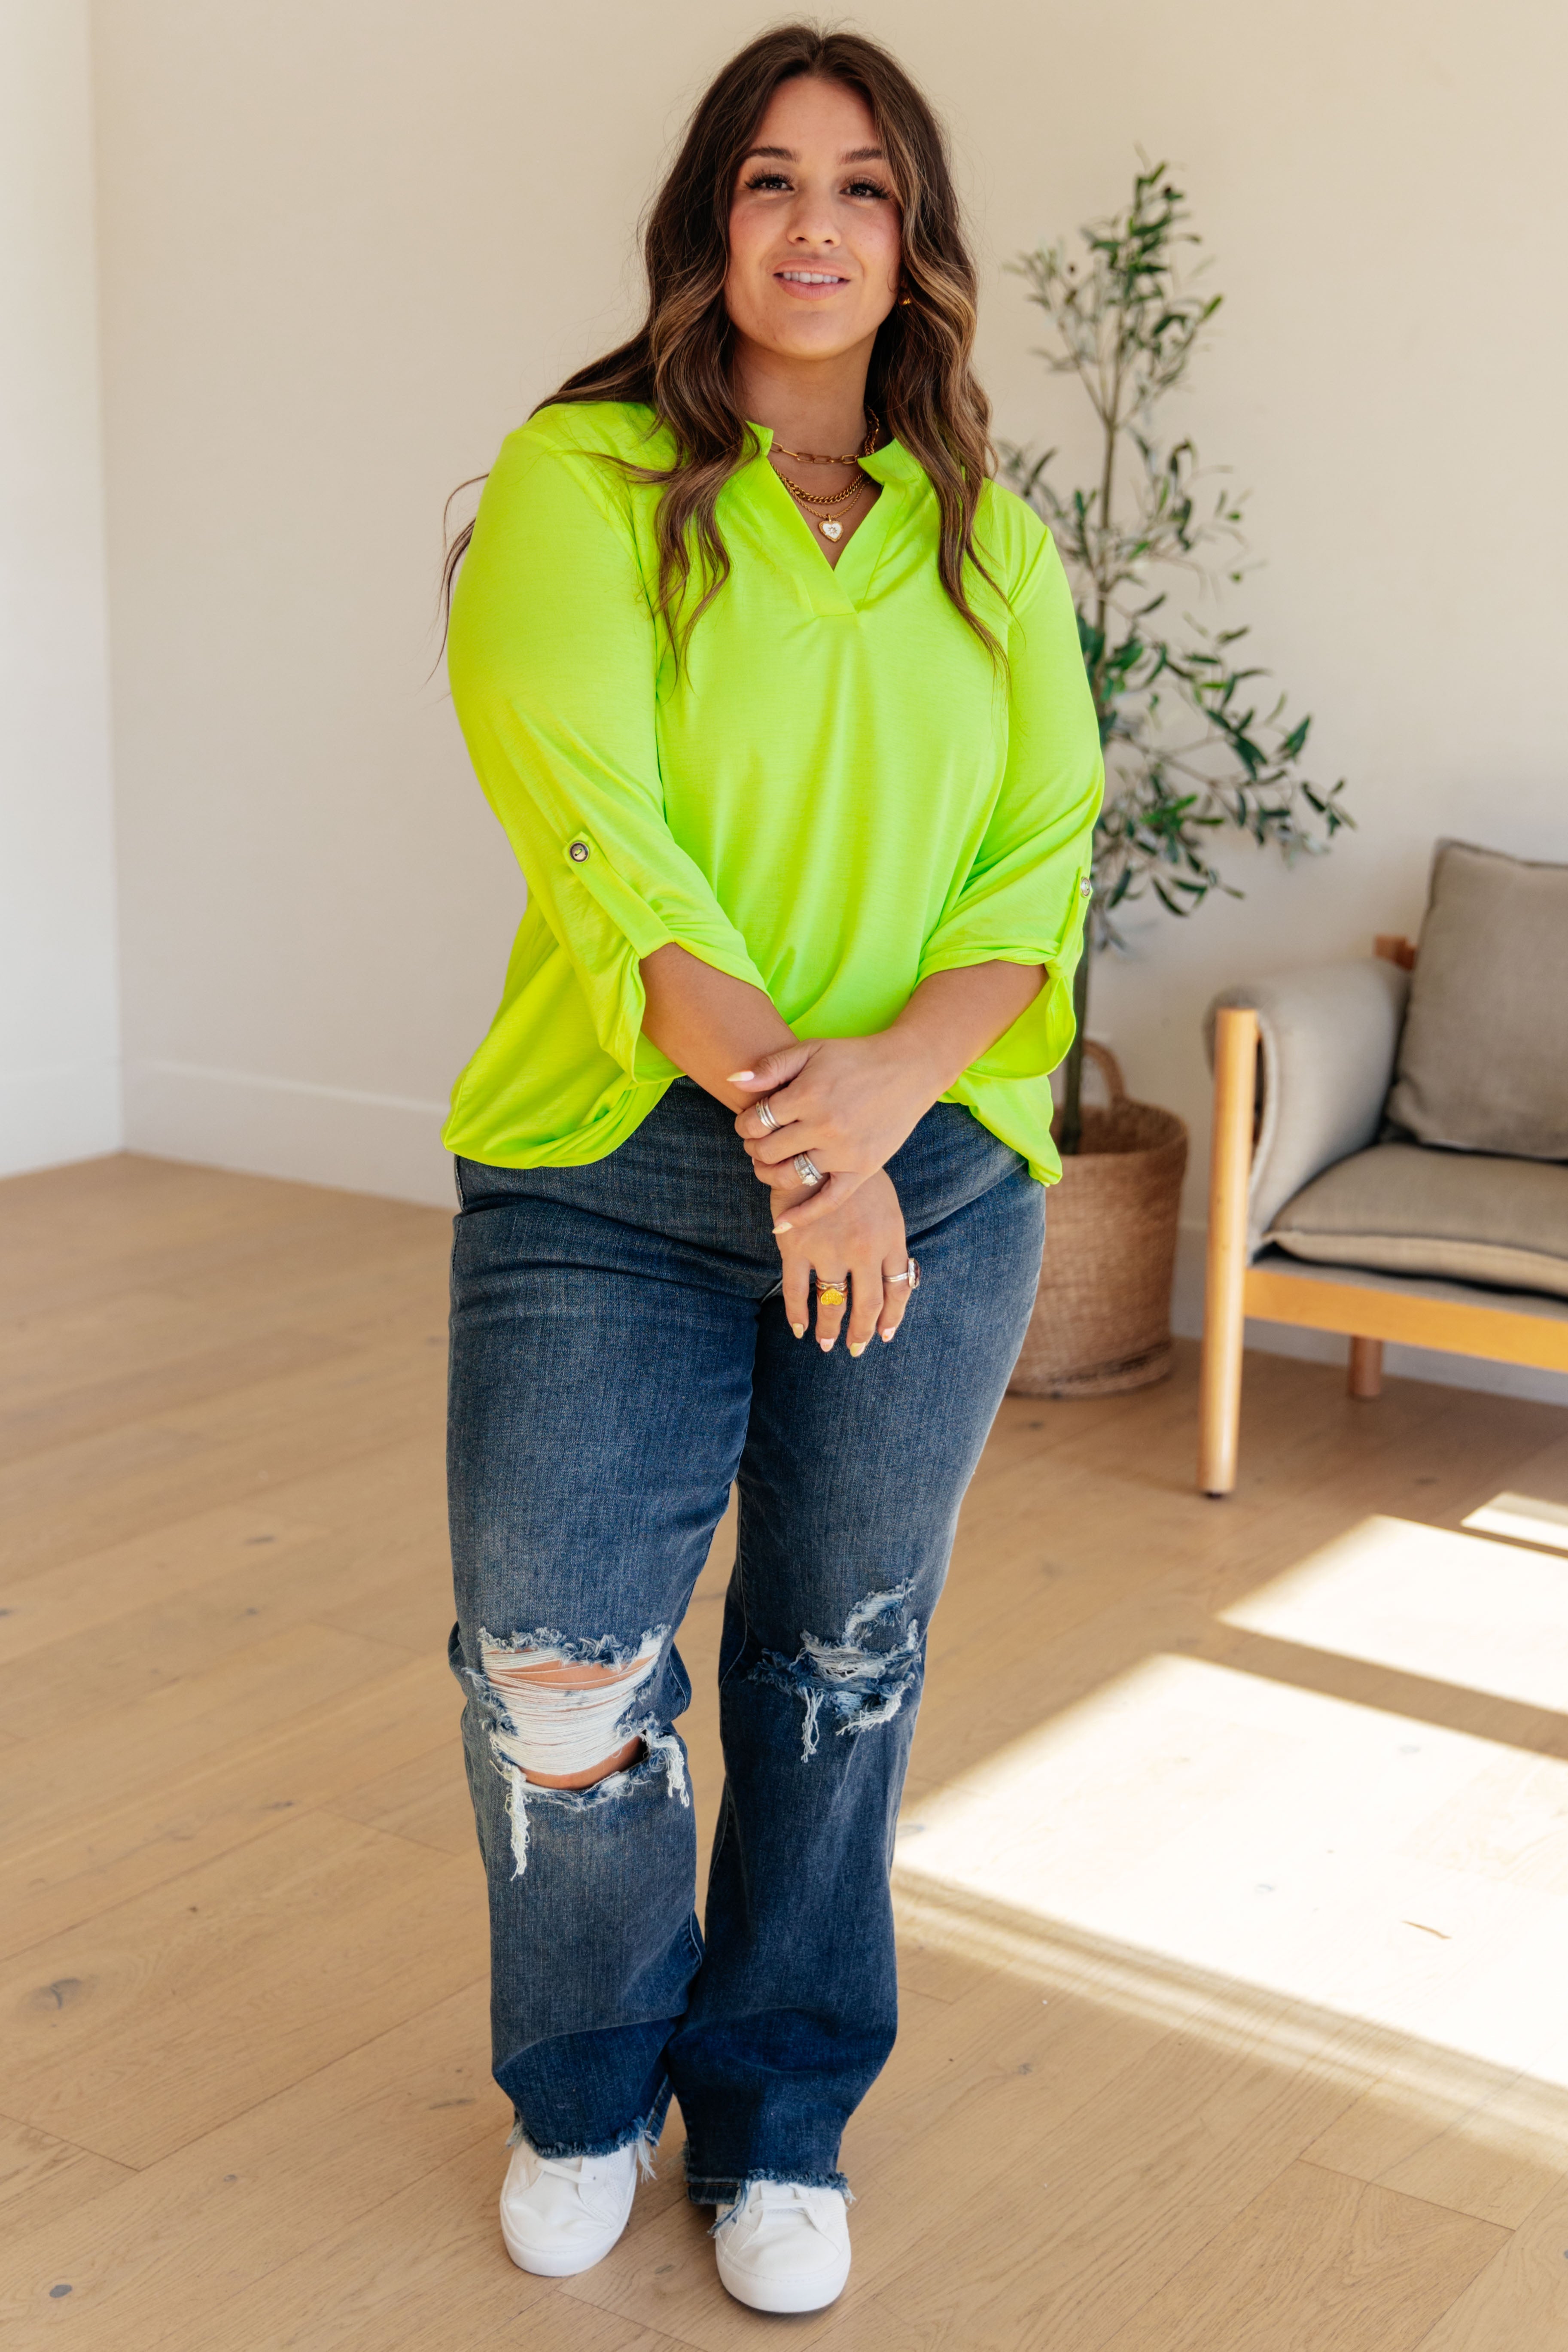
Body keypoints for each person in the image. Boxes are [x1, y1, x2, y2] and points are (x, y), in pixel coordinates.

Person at [441, 22, 1101, 2317]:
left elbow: (1035, 874)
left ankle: (780, 2113)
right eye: (769, 180)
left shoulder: (991, 542)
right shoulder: (583, 480)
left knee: (837, 1664)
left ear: (914, 243)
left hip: (930, 1177)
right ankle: (586, 2088)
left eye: (862, 187)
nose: (814, 227)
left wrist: (878, 1107)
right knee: (558, 1667)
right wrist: (799, 1133)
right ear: (708, 223)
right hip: (610, 1168)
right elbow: (603, 851)